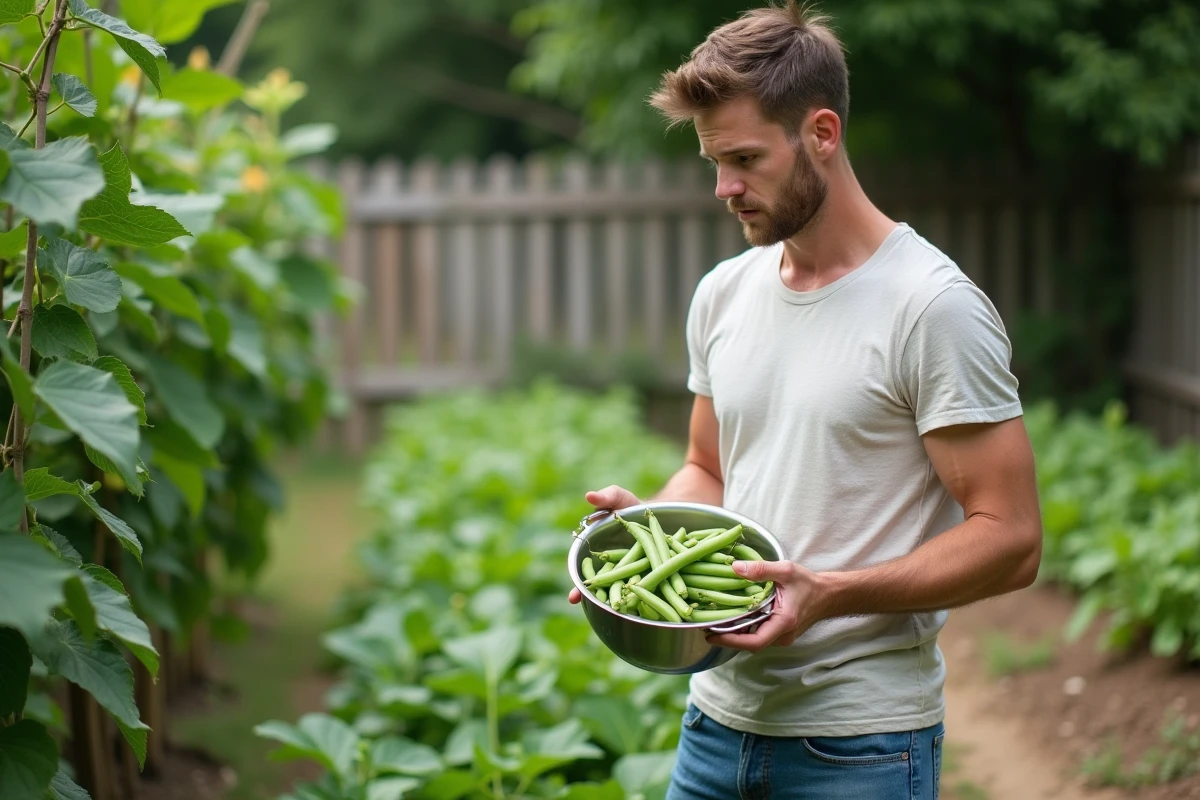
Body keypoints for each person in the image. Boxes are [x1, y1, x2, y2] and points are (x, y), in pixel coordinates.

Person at [567, 2, 1044, 798]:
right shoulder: (724, 293)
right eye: (713, 162)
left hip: (859, 745)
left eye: (746, 159)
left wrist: (831, 594)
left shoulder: (930, 307)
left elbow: (1014, 539)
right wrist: (645, 526)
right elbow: (707, 468)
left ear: (821, 134)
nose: (724, 188)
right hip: (712, 727)